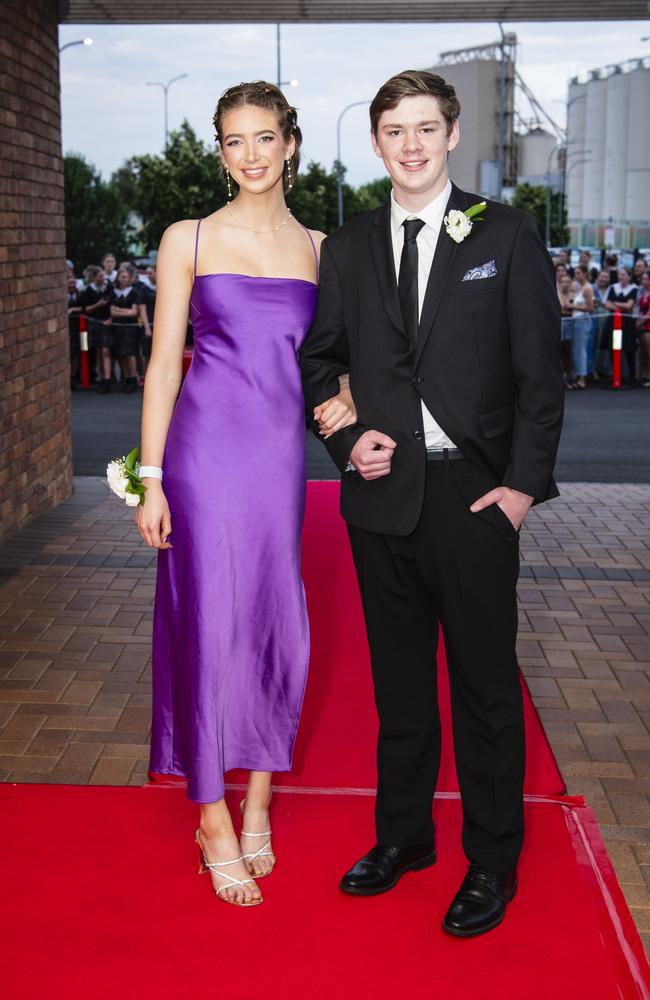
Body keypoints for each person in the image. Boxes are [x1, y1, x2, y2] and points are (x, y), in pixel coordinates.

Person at [301, 69, 564, 938]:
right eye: (393, 130)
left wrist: (521, 489)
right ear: (375, 143)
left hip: (474, 498)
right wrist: (344, 441)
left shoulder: (509, 234)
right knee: (401, 691)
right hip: (380, 501)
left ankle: (492, 859)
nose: (410, 145)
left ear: (452, 135)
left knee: (485, 691)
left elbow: (540, 377)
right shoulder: (346, 246)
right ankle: (403, 839)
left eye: (425, 128)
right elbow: (317, 362)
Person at [135, 81, 355, 908]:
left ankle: (258, 797)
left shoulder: (323, 248)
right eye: (235, 141)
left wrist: (352, 400)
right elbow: (162, 366)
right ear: (220, 151)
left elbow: (333, 369)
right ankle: (211, 815)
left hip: (275, 466)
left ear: (291, 145)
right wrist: (151, 478)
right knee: (209, 623)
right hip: (201, 457)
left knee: (276, 626)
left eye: (265, 138)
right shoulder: (187, 238)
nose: (251, 156)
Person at [79, 265, 113, 393]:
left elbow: (113, 303)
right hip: (94, 323)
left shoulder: (109, 288)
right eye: (100, 276)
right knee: (98, 351)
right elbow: (85, 309)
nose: (103, 278)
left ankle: (108, 379)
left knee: (106, 351)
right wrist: (97, 305)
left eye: (103, 275)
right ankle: (102, 378)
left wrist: (111, 318)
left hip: (107, 323)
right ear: (93, 277)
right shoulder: (88, 291)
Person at [604, 266, 638, 383]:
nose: (621, 277)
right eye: (620, 275)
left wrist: (614, 303)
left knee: (629, 349)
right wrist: (619, 307)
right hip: (613, 322)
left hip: (627, 324)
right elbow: (607, 304)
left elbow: (629, 306)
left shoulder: (633, 289)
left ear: (629, 276)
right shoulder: (613, 288)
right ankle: (616, 374)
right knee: (614, 348)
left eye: (624, 275)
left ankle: (632, 374)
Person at [109, 268, 140, 393]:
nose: (124, 279)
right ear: (118, 278)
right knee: (121, 354)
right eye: (122, 277)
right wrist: (124, 312)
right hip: (118, 327)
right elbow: (112, 313)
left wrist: (119, 311)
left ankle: (133, 378)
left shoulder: (133, 292)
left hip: (130, 327)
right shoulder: (113, 293)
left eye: (127, 277)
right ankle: (126, 378)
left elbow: (134, 312)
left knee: (130, 353)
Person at [568, 264, 594, 389]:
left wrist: (572, 306)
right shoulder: (578, 287)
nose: (576, 275)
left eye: (578, 273)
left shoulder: (588, 288)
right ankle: (578, 375)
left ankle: (582, 378)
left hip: (582, 320)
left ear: (584, 274)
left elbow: (590, 308)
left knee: (581, 349)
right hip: (576, 320)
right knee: (576, 349)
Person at [138, 265, 157, 376]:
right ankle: (147, 378)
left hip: (162, 325)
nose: (148, 275)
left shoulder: (164, 286)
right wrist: (147, 328)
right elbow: (142, 310)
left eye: (150, 272)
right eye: (147, 273)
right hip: (149, 325)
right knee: (148, 354)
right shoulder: (144, 289)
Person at [636, 269, 650, 387]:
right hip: (642, 324)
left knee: (649, 351)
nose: (643, 281)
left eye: (645, 279)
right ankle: (644, 373)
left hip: (647, 325)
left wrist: (641, 321)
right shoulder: (643, 293)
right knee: (644, 351)